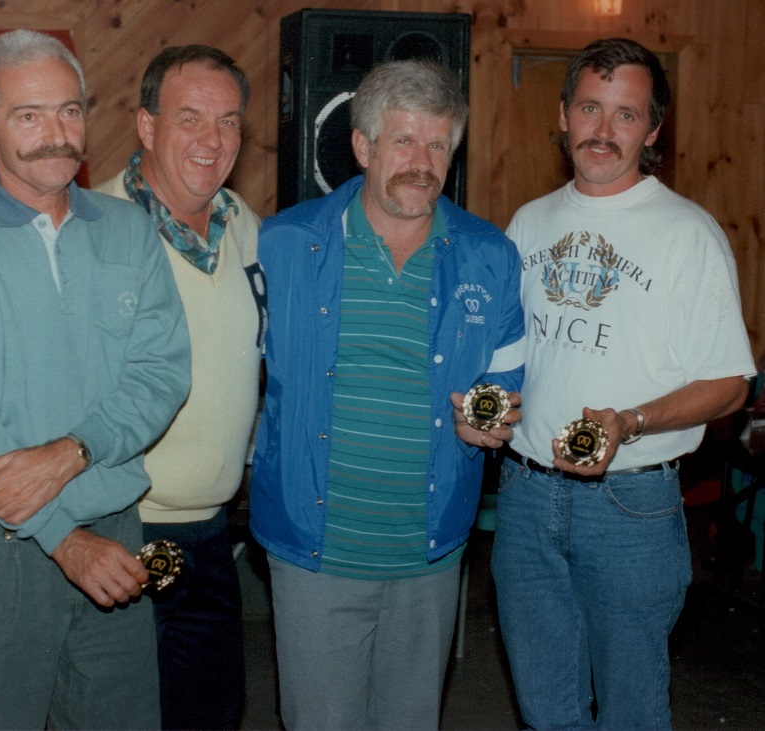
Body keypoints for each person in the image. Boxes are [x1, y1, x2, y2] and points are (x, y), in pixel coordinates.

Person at [0, 43, 263, 731]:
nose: (55, 132)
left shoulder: (129, 233)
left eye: (69, 110)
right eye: (28, 115)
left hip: (120, 537)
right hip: (0, 547)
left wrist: (74, 450)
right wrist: (64, 538)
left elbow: (163, 371)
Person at [249, 59, 525, 730]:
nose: (422, 161)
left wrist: (491, 418)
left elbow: (505, 380)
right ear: (363, 147)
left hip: (428, 552)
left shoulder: (490, 255)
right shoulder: (285, 243)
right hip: (315, 548)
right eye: (403, 141)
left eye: (437, 145)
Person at [494, 37, 756, 730]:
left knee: (632, 712)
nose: (603, 131)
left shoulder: (686, 234)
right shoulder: (528, 222)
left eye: (626, 115)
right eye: (590, 107)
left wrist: (629, 421)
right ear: (563, 115)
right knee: (546, 710)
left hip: (630, 508)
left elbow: (731, 383)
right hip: (524, 497)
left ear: (654, 131)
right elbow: (510, 353)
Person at [93, 45, 263, 730]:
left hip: (215, 534)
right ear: (146, 124)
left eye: (227, 122)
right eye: (190, 118)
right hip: (121, 532)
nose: (212, 140)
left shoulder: (245, 225)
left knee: (210, 716)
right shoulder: (92, 231)